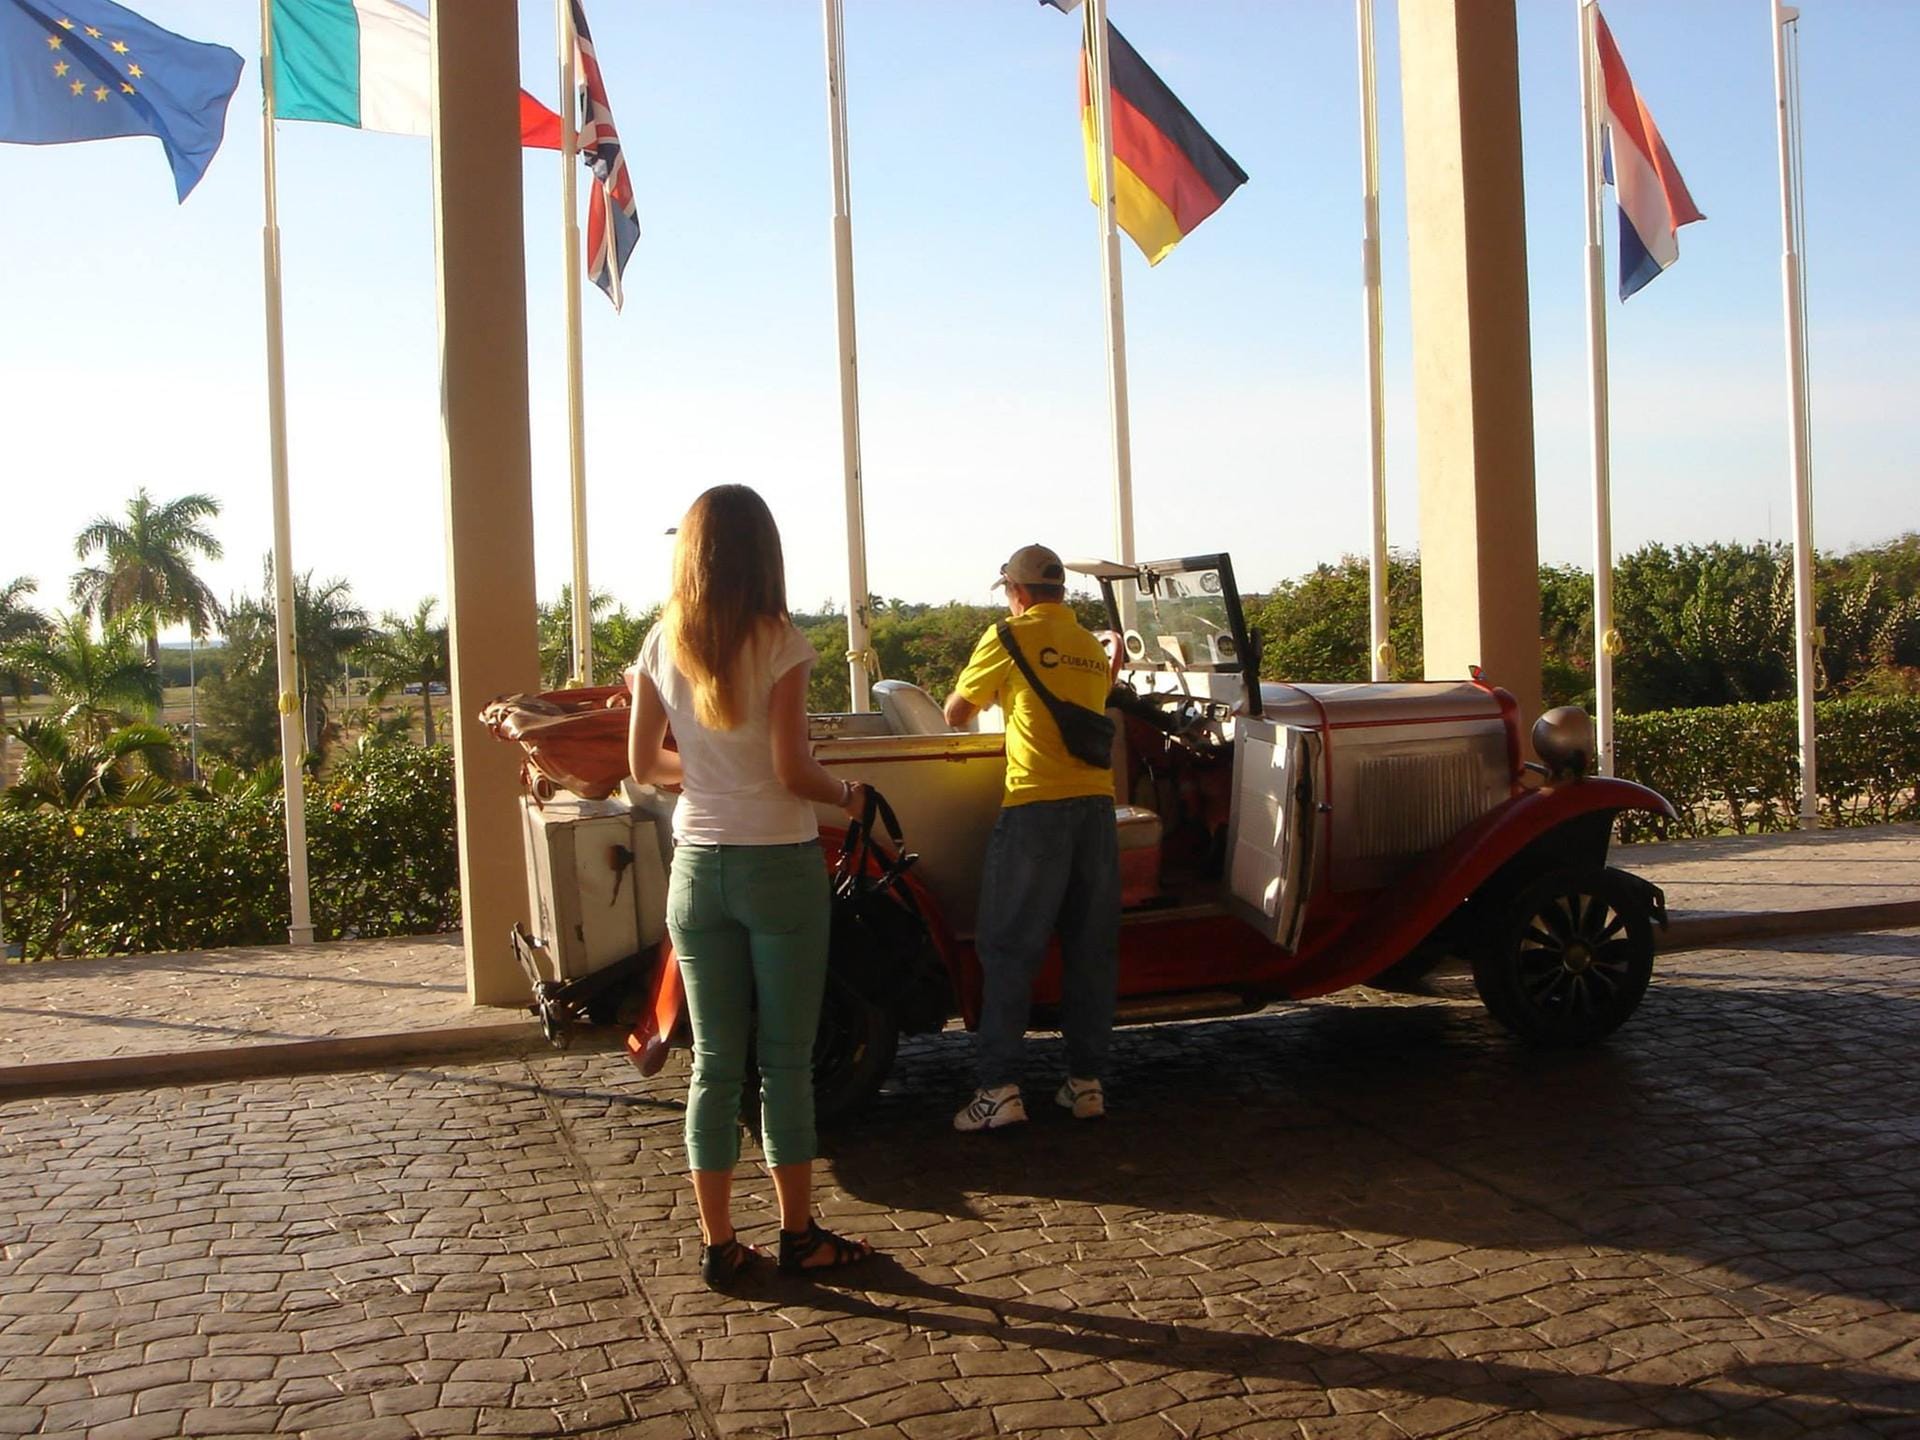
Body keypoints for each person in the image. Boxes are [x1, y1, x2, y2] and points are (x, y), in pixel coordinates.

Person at [627, 484, 873, 1288]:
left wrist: (702, 770)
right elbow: (792, 770)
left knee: (716, 1064)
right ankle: (801, 1237)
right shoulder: (781, 641)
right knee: (787, 1062)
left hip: (698, 871)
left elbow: (642, 766)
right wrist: (851, 797)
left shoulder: (661, 643)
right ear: (763, 553)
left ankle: (720, 1244)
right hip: (778, 866)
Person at [942, 543, 1122, 1132]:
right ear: (1060, 592)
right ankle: (1085, 1084)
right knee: (1090, 952)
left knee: (1010, 951)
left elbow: (956, 713)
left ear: (1016, 593)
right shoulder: (1091, 646)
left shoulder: (1008, 636)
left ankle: (999, 1090)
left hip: (1035, 807)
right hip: (1097, 808)